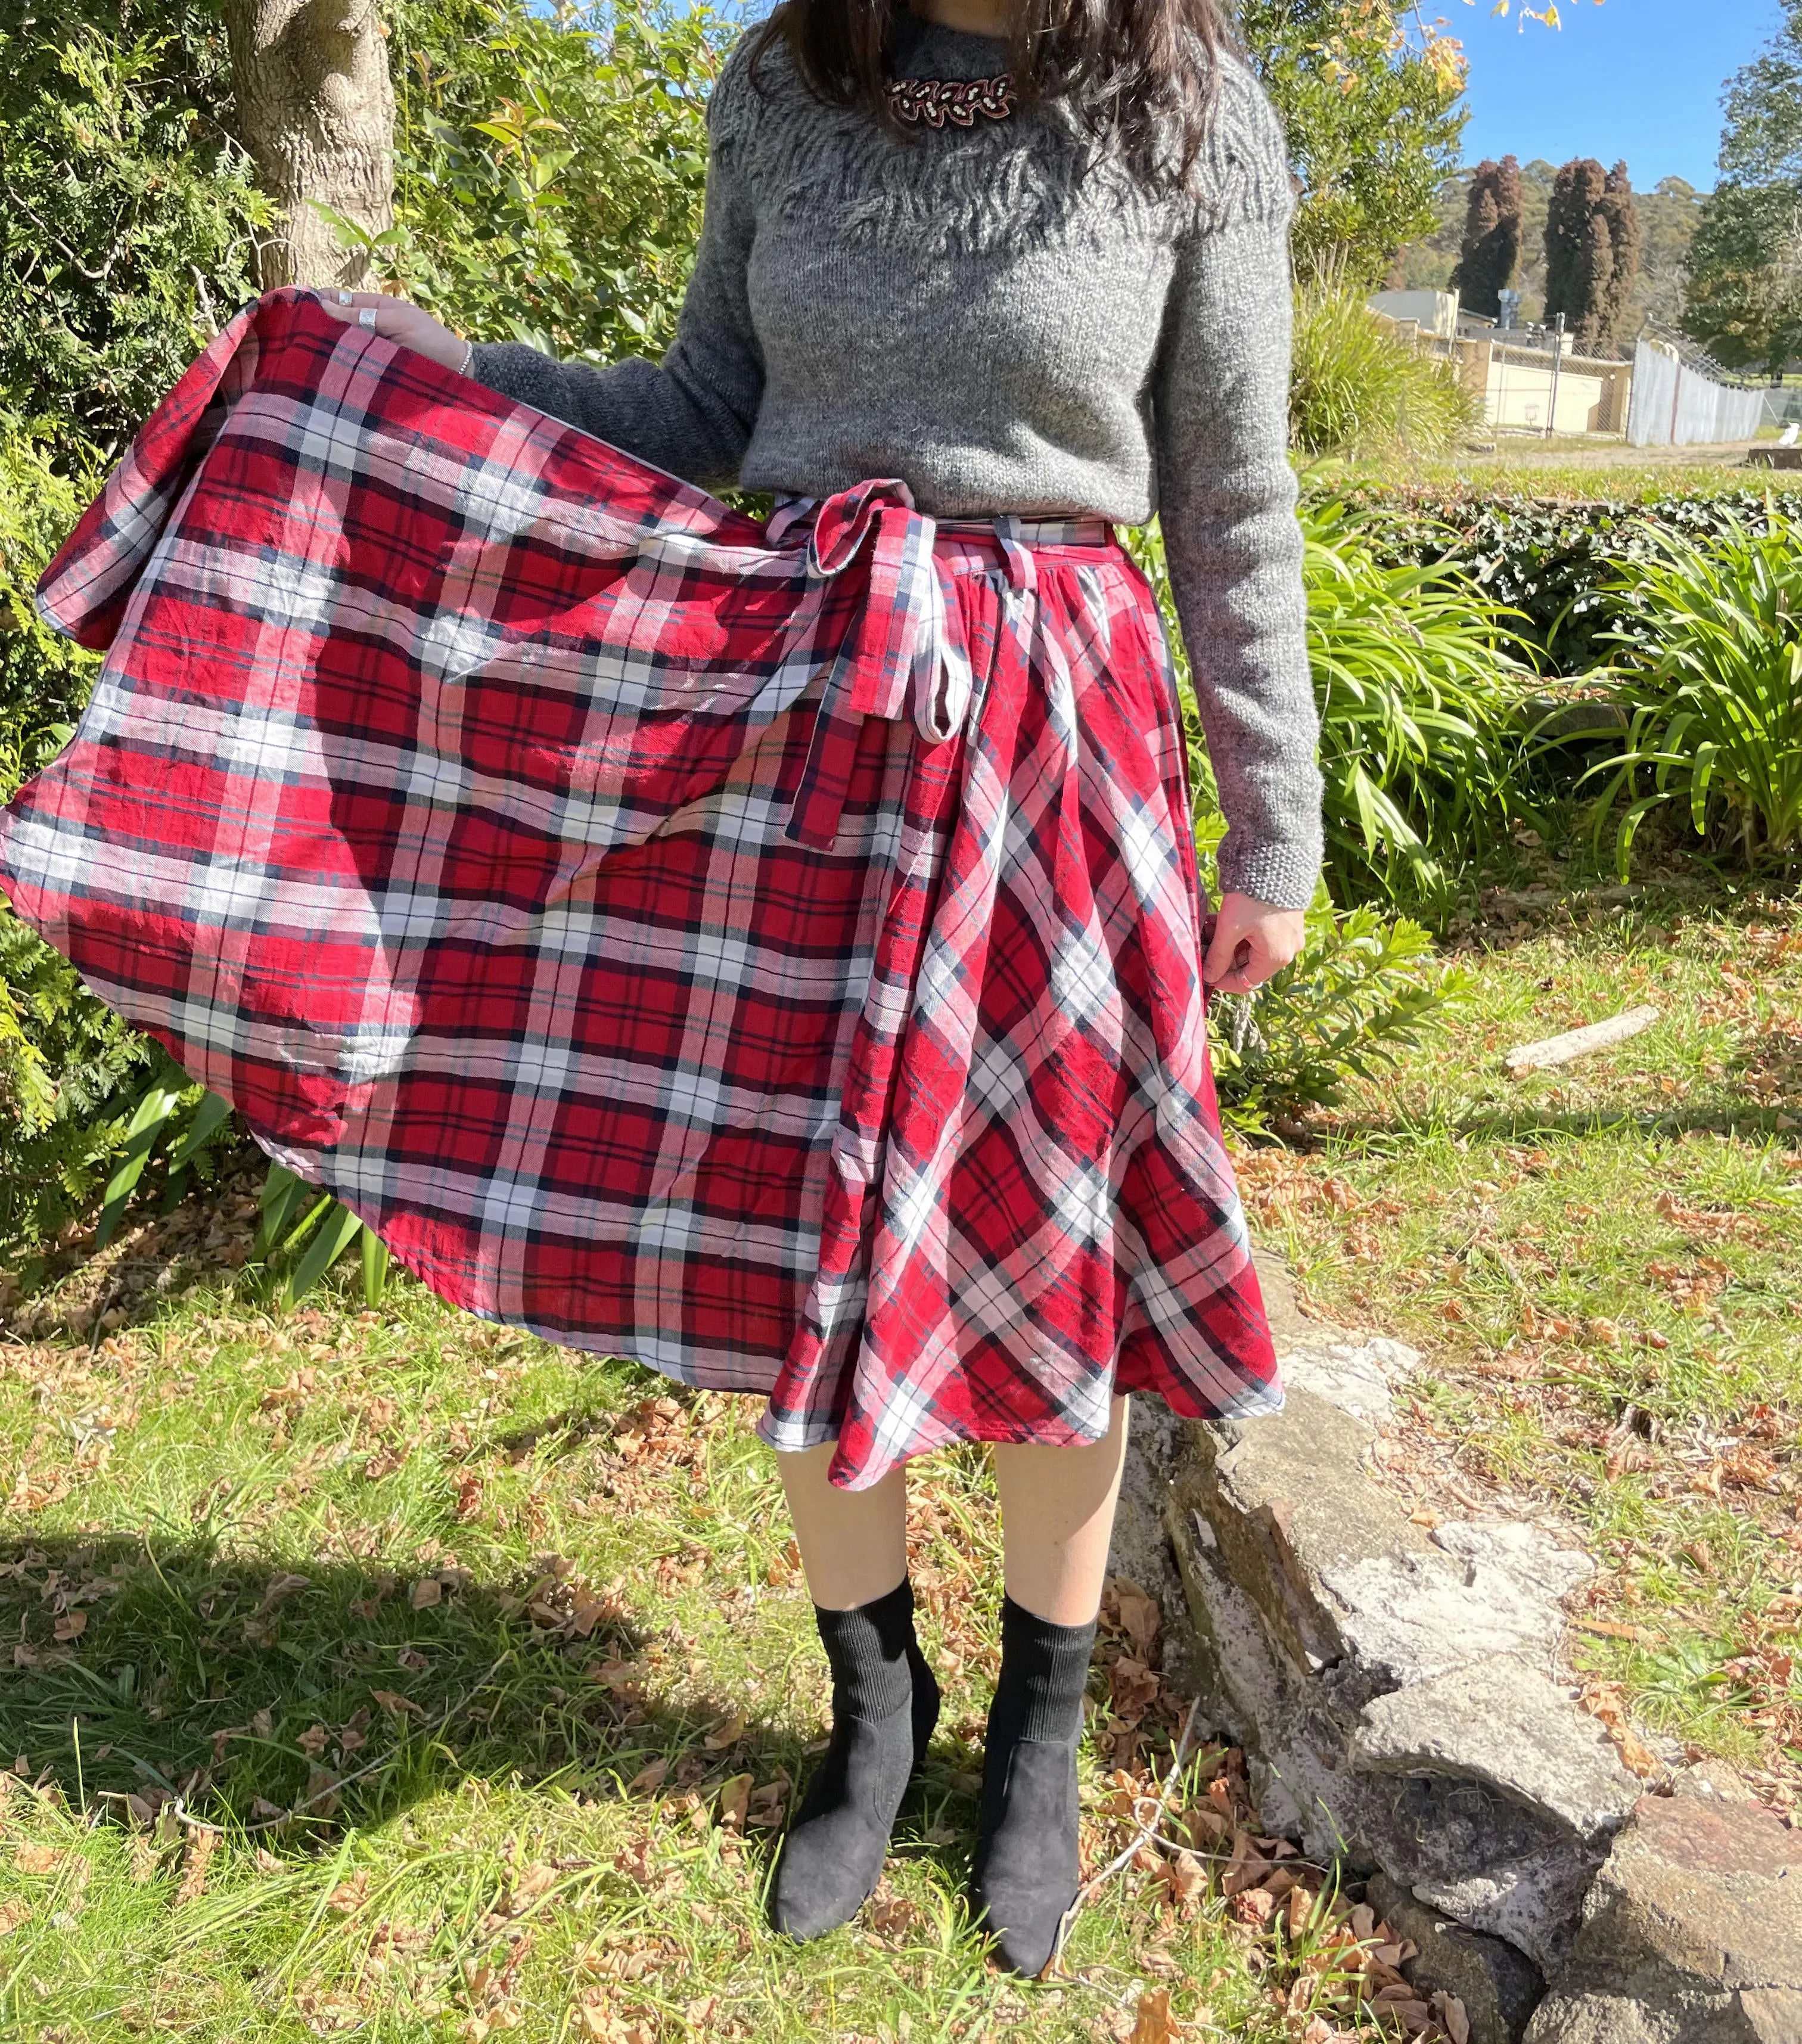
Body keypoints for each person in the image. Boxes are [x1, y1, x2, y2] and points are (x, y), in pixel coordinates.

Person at [313, 0, 1322, 1979]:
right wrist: (459, 380)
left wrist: (1272, 820)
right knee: (798, 1237)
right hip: (810, 718)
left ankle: (1043, 1730)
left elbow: (1233, 495)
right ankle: (877, 1710)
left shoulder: (1196, 114)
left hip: (1059, 736)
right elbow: (702, 404)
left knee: (1057, 1241)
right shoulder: (783, 87)